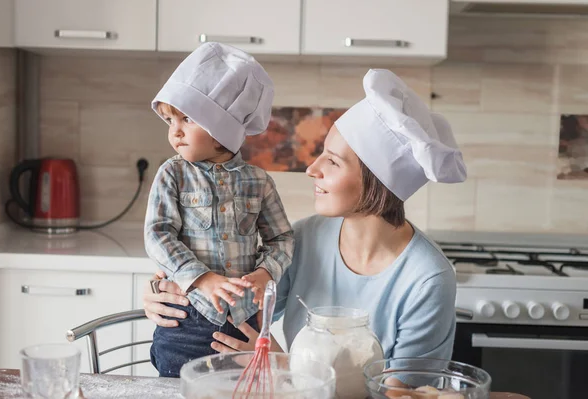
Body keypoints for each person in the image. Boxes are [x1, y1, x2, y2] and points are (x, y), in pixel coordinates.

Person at [143, 68, 466, 362]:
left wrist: (288, 369)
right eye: (319, 155)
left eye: (333, 162)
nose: (312, 170)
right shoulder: (306, 238)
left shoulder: (427, 278)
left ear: (376, 183)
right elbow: (238, 299)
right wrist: (164, 292)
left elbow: (404, 392)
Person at [144, 42, 294, 377]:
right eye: (170, 119)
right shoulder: (172, 174)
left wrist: (266, 272)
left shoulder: (259, 182)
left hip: (242, 322)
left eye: (187, 118)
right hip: (184, 320)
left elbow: (281, 238)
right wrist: (202, 279)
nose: (175, 131)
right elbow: (157, 235)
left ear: (222, 131)